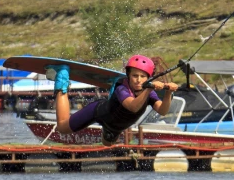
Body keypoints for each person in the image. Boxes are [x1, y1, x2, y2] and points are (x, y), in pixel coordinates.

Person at [46, 55, 178, 146]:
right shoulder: (123, 89)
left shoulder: (150, 93)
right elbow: (132, 107)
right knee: (62, 128)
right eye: (134, 76)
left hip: (113, 126)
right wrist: (148, 89)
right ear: (128, 76)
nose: (138, 80)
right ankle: (62, 77)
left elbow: (162, 111)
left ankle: (112, 85)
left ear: (148, 77)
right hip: (97, 112)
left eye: (143, 76)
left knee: (107, 144)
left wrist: (168, 93)